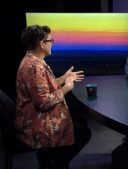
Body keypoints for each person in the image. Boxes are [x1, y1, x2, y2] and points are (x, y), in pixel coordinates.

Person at [15, 25, 91, 169]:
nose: (53, 43)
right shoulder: (33, 67)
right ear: (42, 44)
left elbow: (42, 88)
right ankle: (55, 164)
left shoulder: (34, 60)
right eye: (51, 40)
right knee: (83, 133)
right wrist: (66, 87)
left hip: (37, 116)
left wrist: (63, 78)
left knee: (80, 122)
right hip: (37, 123)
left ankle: (48, 156)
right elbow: (43, 102)